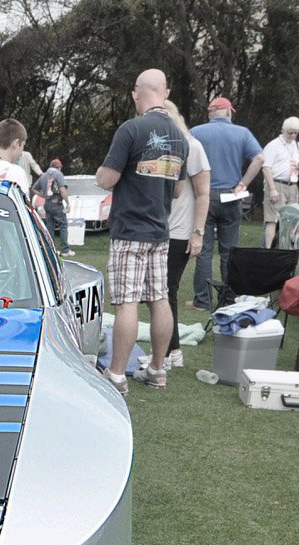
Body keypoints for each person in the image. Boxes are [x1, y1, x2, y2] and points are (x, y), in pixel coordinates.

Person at [95, 68, 187, 394]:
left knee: (127, 302)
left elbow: (106, 179)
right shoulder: (179, 137)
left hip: (130, 229)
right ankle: (158, 370)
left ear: (137, 92)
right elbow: (177, 191)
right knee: (160, 299)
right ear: (166, 92)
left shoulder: (131, 129)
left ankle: (117, 375)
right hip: (161, 232)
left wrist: (102, 173)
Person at [189, 96, 263, 310]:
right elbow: (259, 158)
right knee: (229, 252)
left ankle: (202, 300)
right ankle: (229, 299)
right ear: (229, 112)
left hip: (204, 196)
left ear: (210, 113)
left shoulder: (196, 132)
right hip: (232, 196)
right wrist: (242, 183)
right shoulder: (243, 133)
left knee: (203, 250)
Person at [160, 100, 210, 369]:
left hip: (180, 232)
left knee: (166, 291)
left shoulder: (192, 146)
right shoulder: (160, 147)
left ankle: (168, 353)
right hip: (160, 229)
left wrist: (198, 233)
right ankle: (173, 349)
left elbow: (203, 192)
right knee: (162, 292)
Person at [261, 117, 299, 247]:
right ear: (283, 130)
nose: (293, 135)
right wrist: (272, 189)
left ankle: (287, 248)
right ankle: (268, 249)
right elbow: (266, 168)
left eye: (296, 133)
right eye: (290, 132)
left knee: (292, 219)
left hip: (292, 184)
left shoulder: (297, 145)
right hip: (276, 184)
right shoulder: (273, 145)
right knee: (272, 219)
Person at [34, 158, 73, 256]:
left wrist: (44, 196)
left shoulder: (44, 176)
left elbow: (34, 189)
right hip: (57, 203)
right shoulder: (58, 174)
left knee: (50, 227)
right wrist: (68, 203)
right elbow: (62, 189)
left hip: (47, 204)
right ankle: (65, 250)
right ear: (59, 167)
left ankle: (52, 250)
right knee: (63, 225)